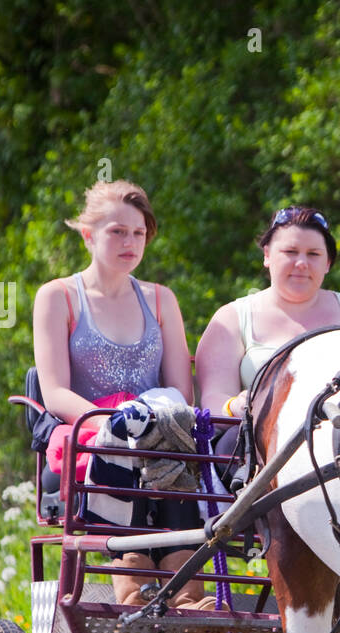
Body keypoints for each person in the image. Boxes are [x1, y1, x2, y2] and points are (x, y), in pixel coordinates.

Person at [32, 179, 206, 608]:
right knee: (127, 448)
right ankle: (134, 584)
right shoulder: (58, 297)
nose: (130, 242)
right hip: (88, 436)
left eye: (139, 233)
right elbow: (54, 392)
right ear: (89, 235)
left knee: (172, 448)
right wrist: (115, 425)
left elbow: (180, 391)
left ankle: (185, 593)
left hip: (158, 435)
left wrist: (152, 427)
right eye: (117, 231)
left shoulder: (161, 300)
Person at [195, 206, 340, 427]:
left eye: (313, 254)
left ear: (328, 263)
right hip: (256, 444)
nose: (302, 263)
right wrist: (236, 406)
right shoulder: (231, 319)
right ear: (267, 255)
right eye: (290, 252)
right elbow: (214, 400)